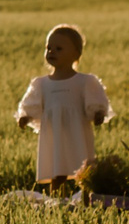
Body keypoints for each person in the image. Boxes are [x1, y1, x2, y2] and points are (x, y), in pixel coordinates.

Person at [16, 24, 113, 194]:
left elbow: (96, 101)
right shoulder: (41, 84)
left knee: (83, 167)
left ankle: (85, 197)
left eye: (58, 48)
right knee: (57, 165)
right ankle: (57, 198)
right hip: (54, 133)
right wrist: (25, 116)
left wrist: (98, 113)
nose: (51, 52)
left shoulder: (84, 81)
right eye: (48, 48)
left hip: (78, 132)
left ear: (76, 54)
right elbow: (32, 104)